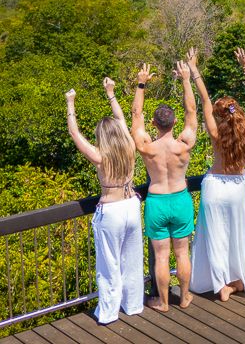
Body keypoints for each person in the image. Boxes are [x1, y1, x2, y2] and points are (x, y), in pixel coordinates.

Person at [65, 78, 143, 324]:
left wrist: (70, 103)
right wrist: (111, 94)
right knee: (131, 261)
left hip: (111, 211)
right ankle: (133, 305)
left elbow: (74, 132)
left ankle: (109, 312)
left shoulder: (100, 157)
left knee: (109, 265)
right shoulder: (130, 146)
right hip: (132, 205)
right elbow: (120, 120)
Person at [188, 46, 245, 300]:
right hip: (237, 186)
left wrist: (194, 69)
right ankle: (236, 280)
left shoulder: (216, 133)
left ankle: (220, 283)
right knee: (238, 234)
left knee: (216, 236)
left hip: (214, 186)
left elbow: (205, 101)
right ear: (237, 112)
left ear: (219, 116)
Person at [130, 61, 197, 312]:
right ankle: (185, 296)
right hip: (180, 199)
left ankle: (164, 302)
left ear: (154, 123)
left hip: (157, 201)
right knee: (182, 253)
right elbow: (191, 110)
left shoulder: (147, 147)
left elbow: (136, 116)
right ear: (174, 121)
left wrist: (141, 83)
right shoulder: (184, 144)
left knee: (160, 256)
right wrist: (186, 79)